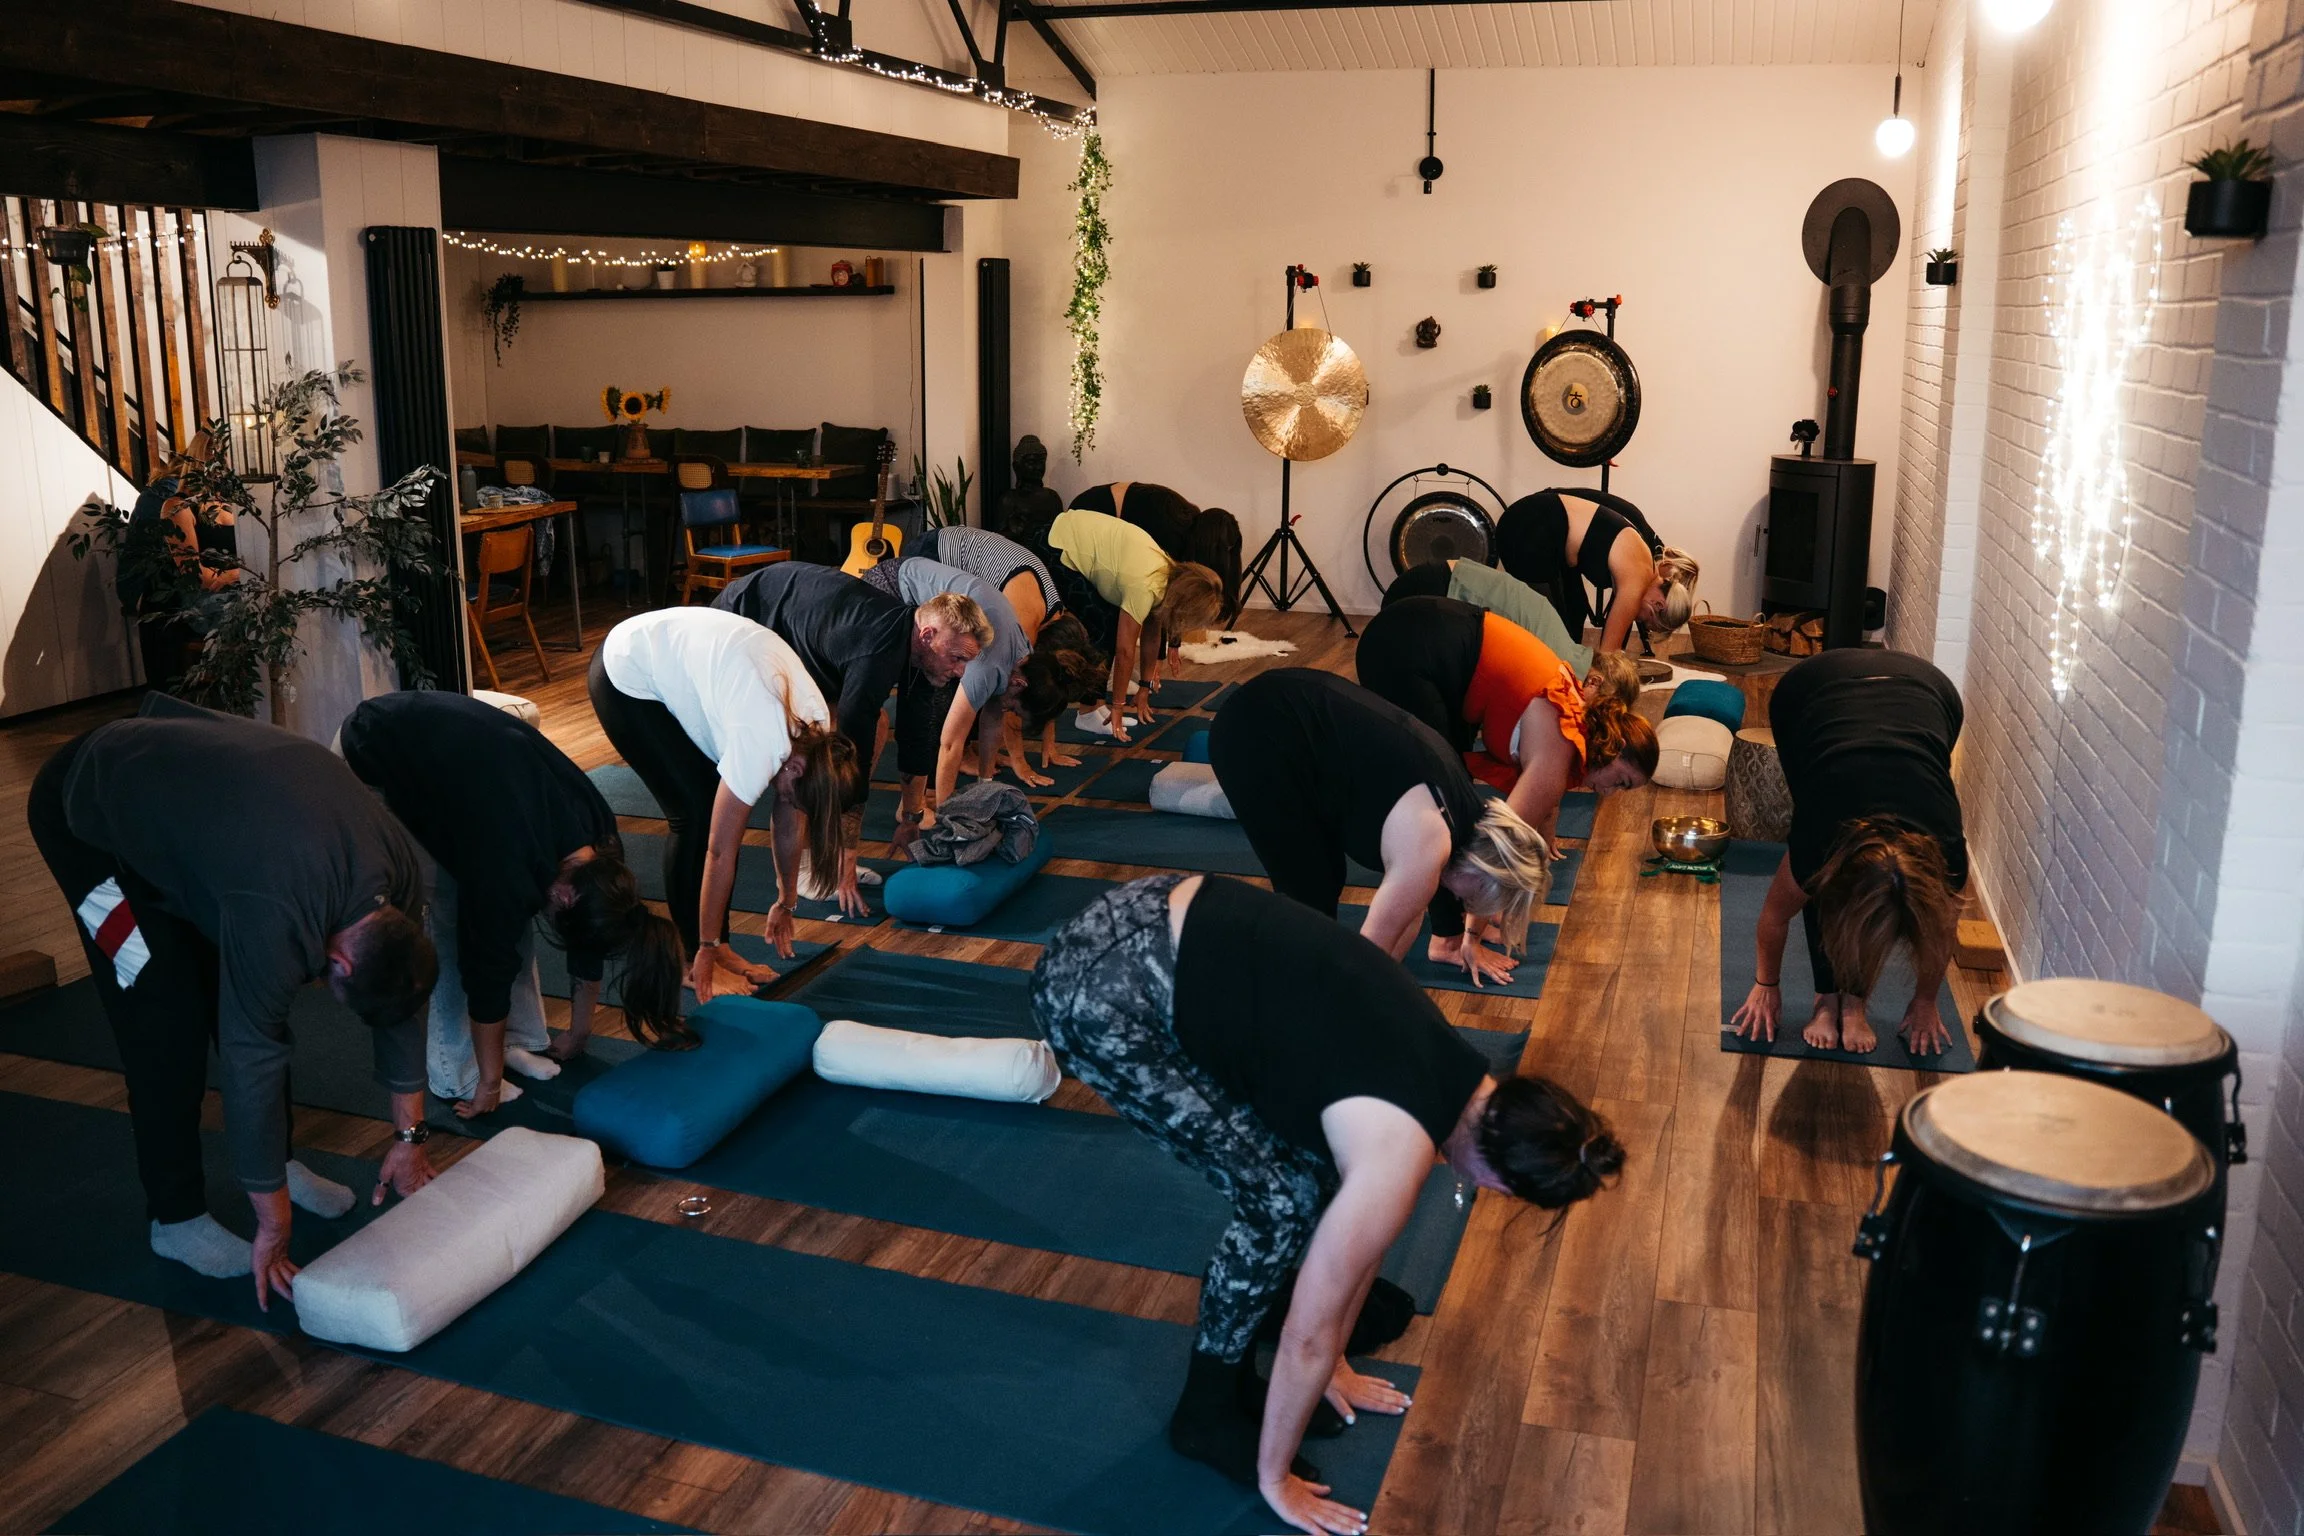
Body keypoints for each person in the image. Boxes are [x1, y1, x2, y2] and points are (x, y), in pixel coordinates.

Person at [1032, 873, 1622, 1535]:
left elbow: (1364, 1242)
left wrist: (1337, 1365)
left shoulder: (1466, 1080)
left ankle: (1242, 1351)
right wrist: (1274, 1477)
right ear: (1506, 1183)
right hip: (1094, 993)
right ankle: (1205, 1416)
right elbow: (1308, 1338)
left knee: (1315, 1181)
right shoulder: (1401, 1145)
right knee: (1279, 1203)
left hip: (1142, 911)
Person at [26, 695, 439, 1309]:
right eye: (328, 985)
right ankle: (175, 1217)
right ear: (341, 962)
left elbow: (402, 1001)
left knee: (239, 981)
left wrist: (410, 1137)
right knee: (163, 1014)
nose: (318, 988)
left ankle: (281, 1162)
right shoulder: (279, 911)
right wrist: (271, 1223)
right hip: (88, 813)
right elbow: (253, 1057)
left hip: (201, 820)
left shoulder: (400, 878)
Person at [339, 691, 691, 1117]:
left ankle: (517, 1043)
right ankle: (461, 1074)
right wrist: (488, 1087)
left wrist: (580, 1032)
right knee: (451, 924)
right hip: (373, 747)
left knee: (518, 912)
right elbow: (486, 971)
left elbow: (590, 930)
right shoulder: (505, 866)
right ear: (565, 894)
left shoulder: (598, 845)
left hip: (469, 764)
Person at [1209, 669, 1554, 989]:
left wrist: (1389, 990)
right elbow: (1366, 957)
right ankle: (1272, 1004)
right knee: (1309, 894)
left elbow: (1405, 921)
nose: (1463, 904)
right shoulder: (1428, 844)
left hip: (1288, 713)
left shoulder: (1467, 815)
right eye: (1471, 898)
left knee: (1322, 883)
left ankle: (1301, 999)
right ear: (1481, 872)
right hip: (1254, 730)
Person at [588, 607, 862, 1002]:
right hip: (627, 673)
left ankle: (720, 946)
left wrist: (786, 901)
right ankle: (690, 959)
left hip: (696, 662)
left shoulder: (815, 733)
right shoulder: (762, 741)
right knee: (695, 815)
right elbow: (720, 852)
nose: (782, 801)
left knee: (709, 799)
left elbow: (789, 820)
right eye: (789, 794)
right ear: (798, 767)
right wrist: (704, 948)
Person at [1729, 649, 1968, 1055]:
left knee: (1859, 904)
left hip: (1930, 692)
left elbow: (1942, 929)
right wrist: (1766, 985)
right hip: (1809, 690)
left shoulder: (1947, 855)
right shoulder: (1821, 839)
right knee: (1813, 877)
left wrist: (1927, 999)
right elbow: (1773, 916)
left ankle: (1853, 1006)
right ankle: (1828, 1001)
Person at [714, 561, 988, 895]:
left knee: (874, 726)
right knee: (810, 749)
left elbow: (917, 735)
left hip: (801, 635)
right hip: (746, 620)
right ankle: (804, 871)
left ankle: (824, 857)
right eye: (957, 658)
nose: (960, 671)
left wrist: (911, 818)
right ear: (928, 636)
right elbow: (851, 749)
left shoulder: (926, 653)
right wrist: (847, 855)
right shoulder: (877, 649)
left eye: (966, 662)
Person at [1355, 596, 1657, 846]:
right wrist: (1493, 916)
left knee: (1451, 789)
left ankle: (1440, 898)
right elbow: (1501, 849)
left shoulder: (1575, 723)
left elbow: (1538, 806)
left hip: (1430, 636)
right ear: (1614, 745)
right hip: (1407, 642)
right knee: (1437, 795)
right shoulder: (1560, 747)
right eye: (1620, 782)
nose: (1608, 792)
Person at [915, 523, 1110, 785]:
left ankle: (969, 752)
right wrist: (1020, 762)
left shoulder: (1056, 619)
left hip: (962, 558)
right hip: (933, 553)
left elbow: (1048, 685)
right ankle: (935, 775)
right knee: (955, 673)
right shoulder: (1023, 625)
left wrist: (1049, 746)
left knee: (979, 677)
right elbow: (1008, 699)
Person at [861, 556, 1032, 849]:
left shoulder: (1018, 651)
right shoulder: (992, 664)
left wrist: (984, 789)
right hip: (889, 587)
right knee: (924, 706)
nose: (1009, 712)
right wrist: (950, 819)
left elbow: (993, 714)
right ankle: (916, 810)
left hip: (927, 604)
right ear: (1019, 684)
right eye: (1014, 707)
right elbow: (951, 742)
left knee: (930, 701)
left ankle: (913, 808)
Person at [1036, 507, 1226, 744]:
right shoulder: (1144, 585)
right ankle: (1089, 711)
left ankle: (1095, 705)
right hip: (1056, 542)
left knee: (1106, 621)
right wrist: (1118, 706)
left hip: (1074, 533)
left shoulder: (1166, 578)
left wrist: (1144, 689)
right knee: (1102, 627)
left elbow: (1152, 634)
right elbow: (1125, 650)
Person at [1492, 488, 1699, 653]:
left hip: (1542, 528)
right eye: (1646, 620)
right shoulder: (1637, 580)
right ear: (1658, 604)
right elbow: (1609, 654)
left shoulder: (1647, 567)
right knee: (1552, 628)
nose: (1639, 620)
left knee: (1575, 611)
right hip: (1525, 528)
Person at [1072, 481, 1246, 624]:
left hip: (1109, 513)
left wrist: (1173, 643)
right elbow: (1160, 601)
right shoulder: (1171, 532)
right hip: (1093, 510)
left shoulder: (1188, 529)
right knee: (1102, 613)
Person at [991, 433, 1064, 545]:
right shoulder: (1009, 499)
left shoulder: (1052, 497)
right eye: (1031, 462)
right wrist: (1014, 530)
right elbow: (997, 541)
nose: (1038, 467)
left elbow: (1061, 535)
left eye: (1041, 462)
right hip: (1020, 557)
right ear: (1016, 466)